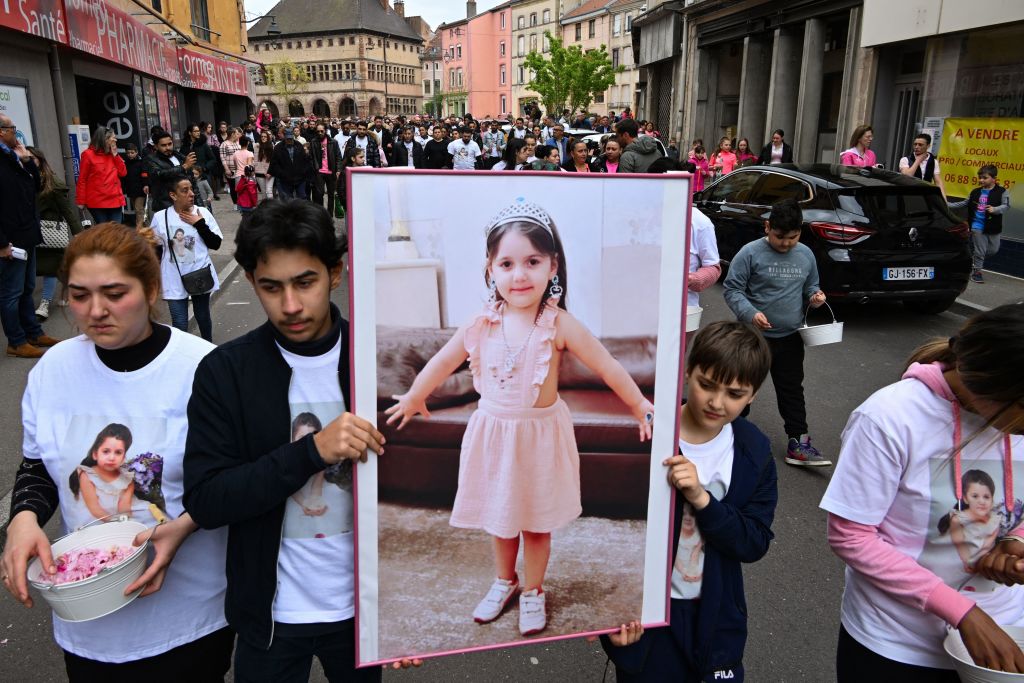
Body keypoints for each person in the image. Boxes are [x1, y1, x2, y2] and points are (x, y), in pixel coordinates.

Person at [385, 198, 654, 636]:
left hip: (541, 437)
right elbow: (442, 361)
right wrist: (416, 395)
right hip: (494, 434)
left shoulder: (559, 323)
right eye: (507, 263)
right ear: (490, 268)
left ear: (553, 265)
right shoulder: (482, 322)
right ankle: (503, 581)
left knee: (536, 521)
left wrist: (637, 403)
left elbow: (607, 365)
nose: (519, 274)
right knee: (500, 516)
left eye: (532, 261)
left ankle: (533, 589)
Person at [183, 199, 419, 680]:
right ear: (250, 281)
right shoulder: (225, 372)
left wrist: (405, 614)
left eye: (305, 283)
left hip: (362, 613)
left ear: (335, 273)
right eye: (272, 288)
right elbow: (207, 500)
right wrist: (311, 451)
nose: (290, 305)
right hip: (270, 619)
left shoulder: (378, 360)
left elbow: (415, 497)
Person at [0, 222, 232, 680]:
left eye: (113, 292)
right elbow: (39, 466)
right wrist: (23, 519)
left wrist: (185, 525)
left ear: (150, 290)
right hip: (87, 622)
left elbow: (234, 479)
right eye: (80, 295)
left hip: (188, 618)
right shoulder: (54, 370)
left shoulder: (202, 367)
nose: (95, 310)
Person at [821, 303, 1024, 679]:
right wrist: (963, 612)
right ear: (990, 382)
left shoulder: (1015, 423)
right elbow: (850, 537)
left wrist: (1014, 540)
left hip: (1007, 633)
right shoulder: (889, 417)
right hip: (896, 646)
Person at [603, 320, 777, 681]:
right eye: (706, 385)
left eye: (735, 393)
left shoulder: (753, 450)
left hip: (716, 617)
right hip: (647, 618)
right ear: (687, 372)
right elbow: (611, 533)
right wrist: (606, 613)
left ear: (753, 395)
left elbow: (754, 541)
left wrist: (703, 500)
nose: (716, 402)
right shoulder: (651, 434)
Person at [723, 198, 831, 467]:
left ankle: (798, 442)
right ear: (767, 227)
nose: (785, 243)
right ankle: (729, 438)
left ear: (800, 232)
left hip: (790, 337)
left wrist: (815, 298)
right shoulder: (749, 253)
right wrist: (751, 313)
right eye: (780, 236)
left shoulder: (805, 254)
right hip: (752, 338)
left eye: (792, 238)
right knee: (742, 389)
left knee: (792, 390)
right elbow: (732, 288)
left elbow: (811, 287)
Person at [0, 113, 56, 358]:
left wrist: (27, 161)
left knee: (27, 288)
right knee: (11, 293)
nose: (16, 131)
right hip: (10, 239)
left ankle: (33, 332)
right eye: (12, 128)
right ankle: (16, 341)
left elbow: (34, 187)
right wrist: (1, 243)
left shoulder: (14, 156)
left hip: (27, 234)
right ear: (1, 132)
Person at [151, 177, 223, 342]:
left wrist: (199, 223)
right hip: (173, 277)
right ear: (173, 195)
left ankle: (207, 347)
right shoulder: (161, 217)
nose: (191, 194)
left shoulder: (202, 213)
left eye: (191, 189)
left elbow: (216, 244)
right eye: (185, 190)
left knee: (202, 316)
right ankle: (182, 354)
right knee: (180, 322)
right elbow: (155, 247)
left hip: (199, 273)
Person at [29, 147, 84, 322]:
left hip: (50, 231)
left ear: (40, 160)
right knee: (40, 267)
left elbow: (67, 211)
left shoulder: (53, 183)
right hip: (30, 231)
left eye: (32, 158)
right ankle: (67, 287)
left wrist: (78, 234)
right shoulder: (21, 180)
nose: (28, 162)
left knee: (50, 268)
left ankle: (44, 303)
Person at [948, 164, 1009, 284]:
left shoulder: (1002, 191)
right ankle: (977, 272)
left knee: (993, 250)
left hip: (993, 227)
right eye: (980, 177)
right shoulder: (975, 192)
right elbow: (964, 203)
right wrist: (946, 204)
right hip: (977, 225)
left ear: (994, 178)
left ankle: (972, 258)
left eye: (985, 178)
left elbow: (1006, 206)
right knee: (980, 251)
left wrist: (995, 209)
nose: (981, 180)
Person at [76, 126, 127, 225]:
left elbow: (123, 173)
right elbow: (82, 179)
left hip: (115, 199)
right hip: (97, 201)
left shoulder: (113, 154)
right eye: (113, 138)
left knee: (116, 231)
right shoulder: (87, 154)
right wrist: (81, 201)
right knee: (104, 233)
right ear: (105, 139)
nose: (115, 140)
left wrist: (116, 155)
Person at [146, 131, 197, 215]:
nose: (168, 147)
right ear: (156, 146)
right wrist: (183, 167)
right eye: (163, 145)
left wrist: (199, 204)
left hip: (186, 203)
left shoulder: (179, 156)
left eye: (170, 144)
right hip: (165, 206)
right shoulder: (151, 159)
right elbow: (160, 174)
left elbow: (192, 182)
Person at [269, 129, 312, 200]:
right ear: (284, 137)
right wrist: (281, 174)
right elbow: (274, 163)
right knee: (287, 200)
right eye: (288, 138)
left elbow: (305, 161)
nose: (289, 140)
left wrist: (303, 172)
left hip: (299, 178)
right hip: (285, 179)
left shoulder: (298, 145)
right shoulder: (278, 147)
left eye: (291, 138)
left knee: (302, 198)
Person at [309, 123, 340, 213]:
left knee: (331, 195)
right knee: (319, 194)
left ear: (325, 131)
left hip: (331, 171)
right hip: (319, 172)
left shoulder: (333, 142)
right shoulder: (313, 142)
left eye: (322, 131)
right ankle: (321, 215)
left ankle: (329, 215)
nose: (320, 133)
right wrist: (315, 168)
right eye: (318, 131)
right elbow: (311, 157)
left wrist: (338, 169)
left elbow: (338, 156)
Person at [121, 143, 149, 229]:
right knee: (138, 209)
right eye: (128, 153)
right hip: (131, 189)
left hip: (140, 189)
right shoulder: (125, 163)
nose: (130, 155)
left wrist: (146, 185)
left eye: (132, 152)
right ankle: (146, 226)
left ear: (136, 152)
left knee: (138, 209)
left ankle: (139, 229)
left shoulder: (141, 162)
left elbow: (144, 174)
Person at [219, 126, 243, 204]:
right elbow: (222, 158)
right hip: (230, 169)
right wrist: (226, 169)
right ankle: (236, 204)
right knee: (233, 188)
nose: (238, 135)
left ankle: (241, 202)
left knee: (240, 187)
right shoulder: (224, 144)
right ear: (232, 134)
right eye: (236, 133)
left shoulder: (237, 143)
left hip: (239, 169)